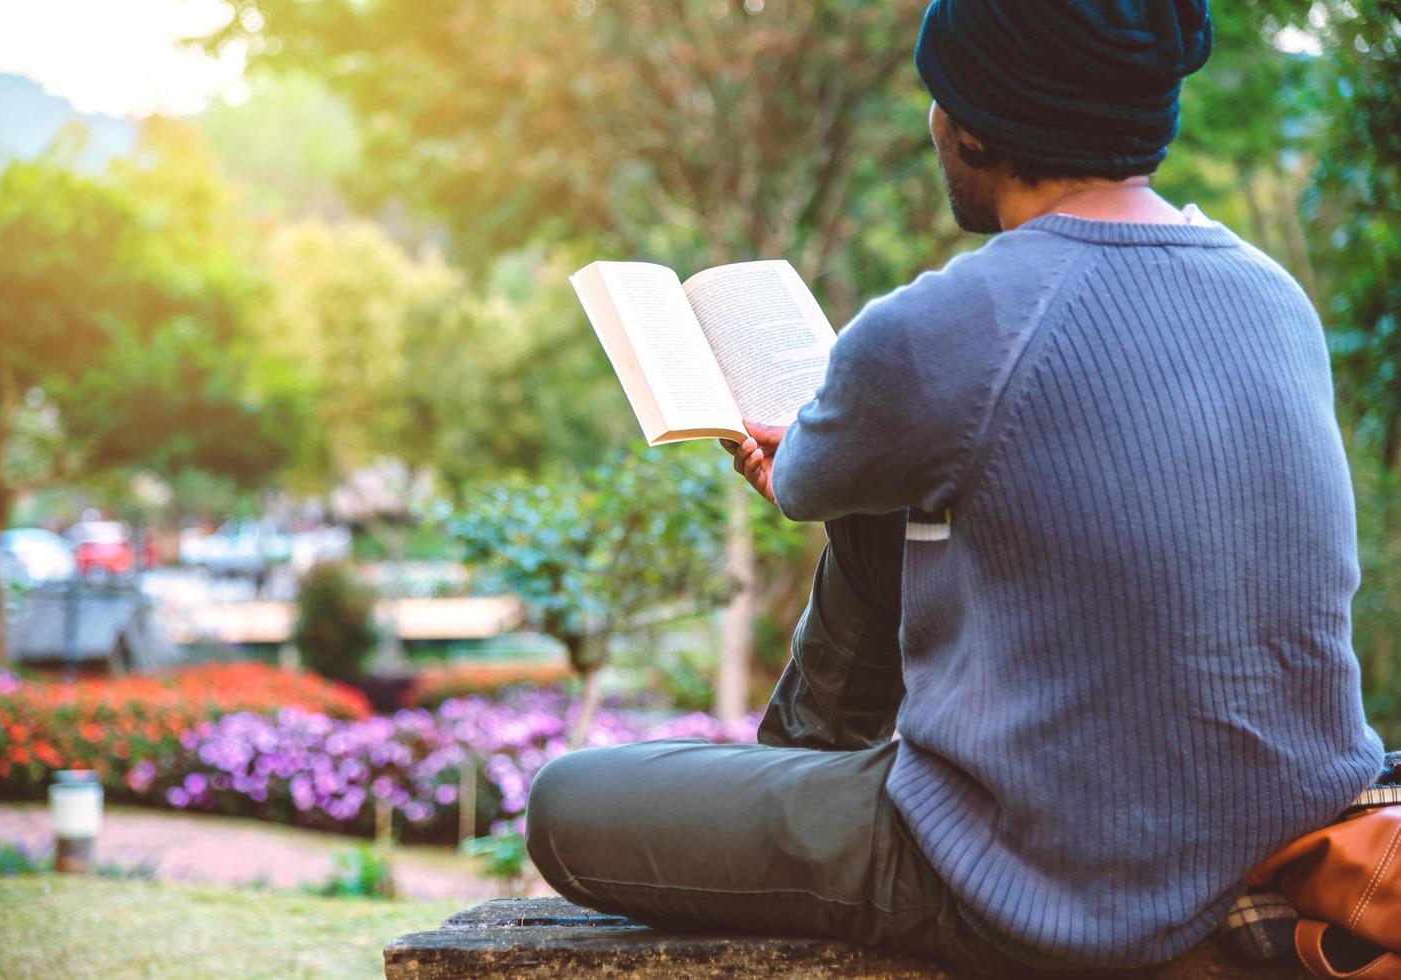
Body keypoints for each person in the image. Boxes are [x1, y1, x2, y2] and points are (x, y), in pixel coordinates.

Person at [525, 0, 1386, 974]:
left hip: (1033, 865)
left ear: (974, 124)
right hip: (1270, 819)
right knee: (887, 503)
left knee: (567, 802)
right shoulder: (1272, 295)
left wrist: (808, 451)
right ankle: (802, 776)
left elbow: (803, 481)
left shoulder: (953, 316)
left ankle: (800, 781)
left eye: (938, 99)